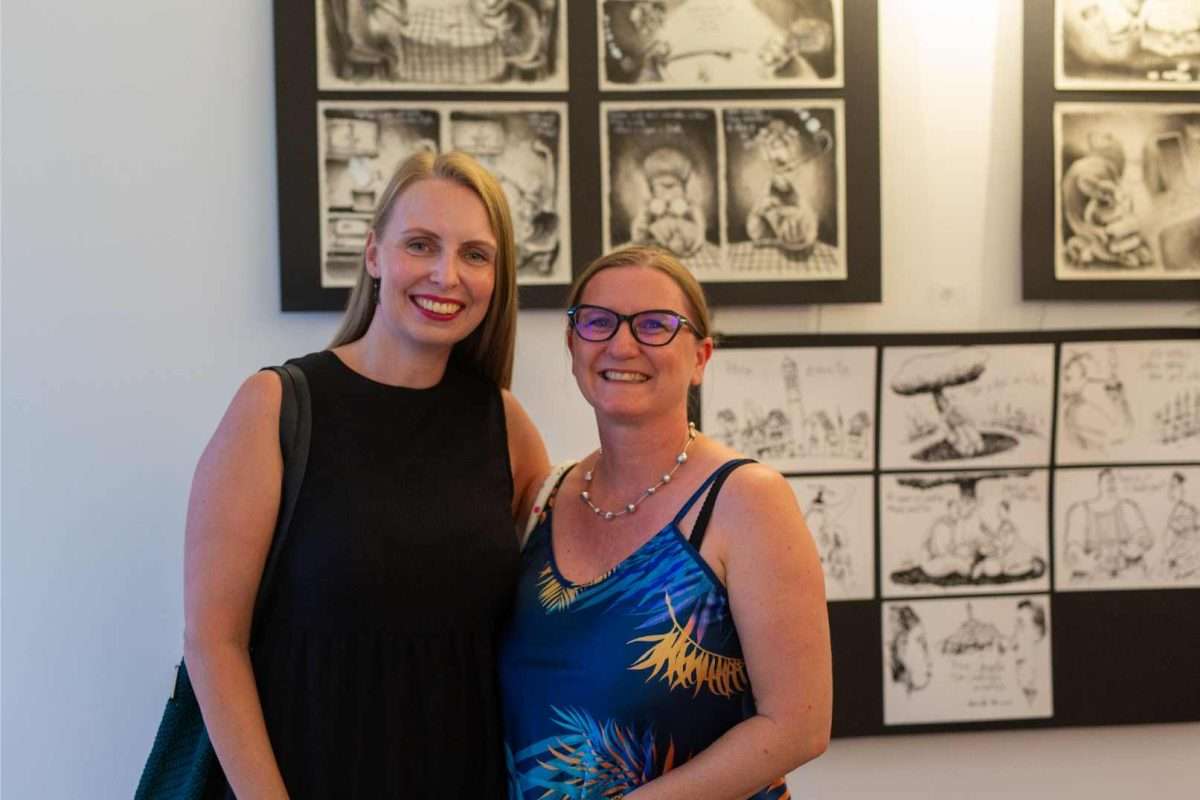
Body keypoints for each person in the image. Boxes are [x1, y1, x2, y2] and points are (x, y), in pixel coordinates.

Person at [184, 150, 548, 798]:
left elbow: (550, 623)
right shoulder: (275, 407)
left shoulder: (506, 425)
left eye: (474, 254)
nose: (446, 275)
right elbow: (214, 641)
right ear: (375, 254)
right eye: (420, 244)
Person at [500, 245, 831, 799]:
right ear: (572, 344)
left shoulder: (745, 500)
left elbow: (798, 725)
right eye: (598, 322)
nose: (622, 344)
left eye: (654, 325)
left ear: (701, 357)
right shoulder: (544, 497)